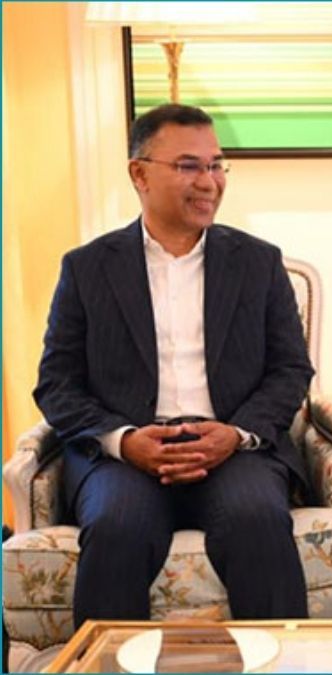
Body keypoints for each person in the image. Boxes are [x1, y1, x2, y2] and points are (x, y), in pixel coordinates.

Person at [34, 104, 315, 627]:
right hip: (126, 456)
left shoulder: (258, 262)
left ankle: (284, 661)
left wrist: (235, 434)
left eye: (216, 165)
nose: (209, 181)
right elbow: (57, 384)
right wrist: (124, 441)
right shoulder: (88, 268)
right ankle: (108, 664)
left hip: (233, 450)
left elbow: (290, 370)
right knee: (117, 527)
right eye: (189, 166)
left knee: (257, 519)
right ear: (139, 174)